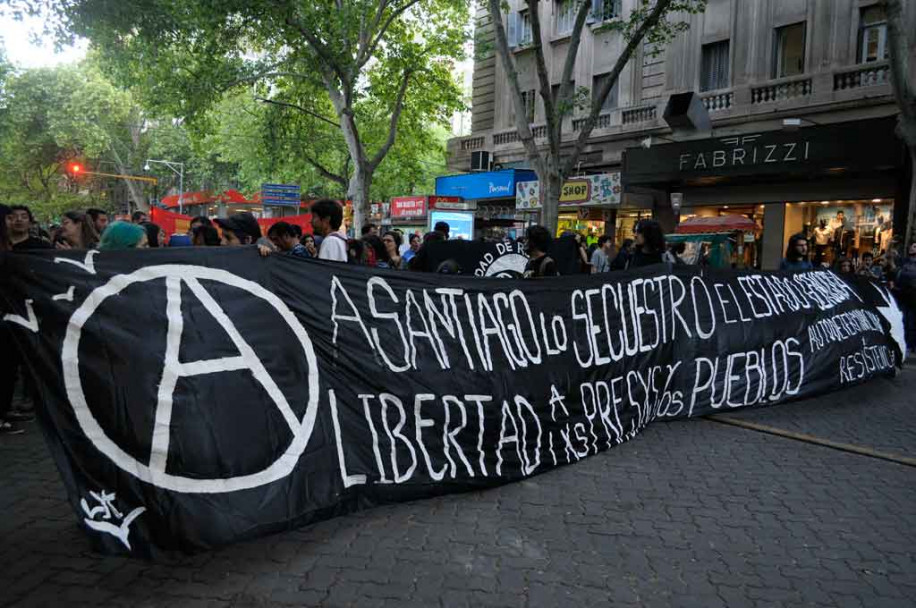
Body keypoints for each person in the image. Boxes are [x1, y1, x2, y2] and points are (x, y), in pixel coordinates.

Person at [895, 242, 916, 356]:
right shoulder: (904, 262)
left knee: (911, 322)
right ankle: (907, 344)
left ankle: (911, 345)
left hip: (912, 296)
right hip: (903, 295)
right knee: (905, 321)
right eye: (913, 245)